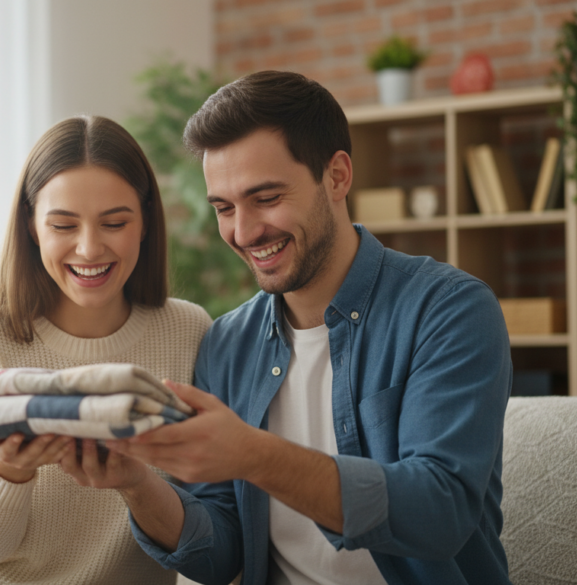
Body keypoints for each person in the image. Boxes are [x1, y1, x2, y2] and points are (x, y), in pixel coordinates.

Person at [63, 71, 513, 584]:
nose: (245, 231)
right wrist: (137, 484)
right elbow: (220, 554)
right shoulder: (227, 343)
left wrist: (252, 454)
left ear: (338, 176)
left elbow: (440, 512)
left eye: (267, 197)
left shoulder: (449, 309)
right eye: (224, 208)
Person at [0, 115, 212, 585]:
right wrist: (8, 468)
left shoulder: (188, 330)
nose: (89, 248)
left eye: (114, 222)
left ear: (147, 223)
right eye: (63, 225)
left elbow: (209, 533)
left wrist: (137, 482)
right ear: (32, 227)